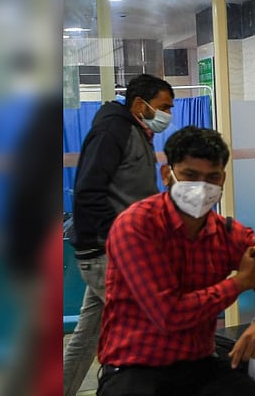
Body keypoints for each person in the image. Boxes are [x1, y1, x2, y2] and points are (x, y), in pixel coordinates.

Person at [97, 126, 255, 396]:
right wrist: (242, 281)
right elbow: (168, 315)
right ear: (167, 175)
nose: (201, 187)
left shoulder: (229, 233)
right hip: (136, 368)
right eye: (190, 176)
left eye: (211, 178)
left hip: (200, 365)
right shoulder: (137, 225)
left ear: (223, 180)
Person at [63, 73, 175, 396]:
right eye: (163, 107)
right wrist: (121, 240)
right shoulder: (114, 129)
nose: (167, 115)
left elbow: (130, 192)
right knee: (154, 323)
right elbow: (88, 191)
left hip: (112, 250)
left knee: (86, 336)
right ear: (140, 104)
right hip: (107, 252)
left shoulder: (136, 132)